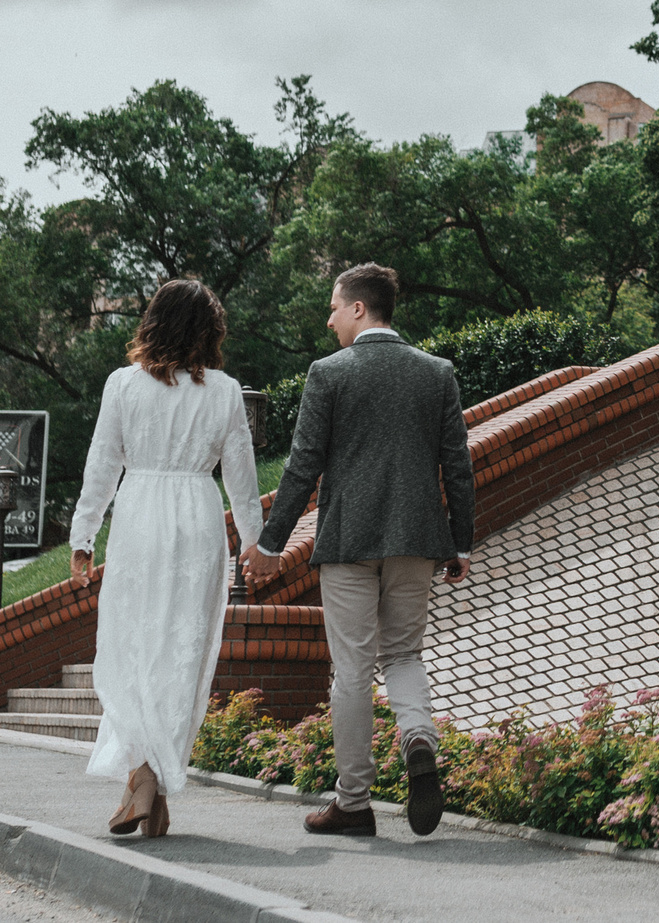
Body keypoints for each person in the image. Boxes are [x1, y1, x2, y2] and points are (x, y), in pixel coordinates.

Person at [241, 262, 474, 838]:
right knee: (403, 656)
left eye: (334, 306)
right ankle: (417, 737)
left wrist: (271, 543)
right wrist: (460, 540)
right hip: (418, 540)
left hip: (348, 542)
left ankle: (353, 803)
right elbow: (459, 467)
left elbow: (302, 468)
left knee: (351, 669)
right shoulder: (437, 372)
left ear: (359, 309)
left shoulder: (328, 373)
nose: (329, 319)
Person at [66, 277, 264, 839]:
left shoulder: (123, 385)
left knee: (134, 648)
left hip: (138, 520)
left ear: (153, 323)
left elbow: (102, 464)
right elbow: (242, 481)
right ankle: (150, 783)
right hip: (197, 521)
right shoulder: (225, 391)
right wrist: (255, 543)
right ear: (209, 332)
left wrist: (83, 536)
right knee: (181, 650)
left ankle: (144, 781)